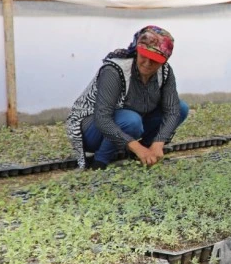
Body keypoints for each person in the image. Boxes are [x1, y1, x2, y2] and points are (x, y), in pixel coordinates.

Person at [65, 25, 189, 170]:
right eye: (144, 56)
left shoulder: (165, 72)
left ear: (164, 60)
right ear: (137, 50)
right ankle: (100, 161)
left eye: (155, 59)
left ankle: (146, 150)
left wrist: (158, 142)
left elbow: (173, 111)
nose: (147, 63)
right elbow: (102, 118)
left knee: (181, 108)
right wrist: (136, 147)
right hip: (90, 130)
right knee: (131, 120)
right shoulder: (114, 71)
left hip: (128, 124)